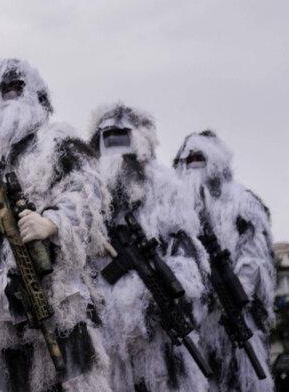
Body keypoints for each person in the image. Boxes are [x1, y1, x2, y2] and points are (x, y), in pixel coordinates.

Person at [0, 59, 111, 392]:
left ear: (38, 96)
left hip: (55, 288)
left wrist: (52, 222)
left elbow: (88, 191)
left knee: (71, 378)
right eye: (3, 91)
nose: (11, 96)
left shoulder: (59, 144)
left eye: (19, 88)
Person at [88, 103, 208, 391]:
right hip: (107, 337)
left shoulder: (165, 186)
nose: (115, 147)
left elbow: (188, 252)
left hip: (156, 334)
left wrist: (154, 295)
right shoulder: (87, 190)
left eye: (122, 137)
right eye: (109, 138)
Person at [174, 130, 275, 391]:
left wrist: (237, 293)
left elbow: (254, 257)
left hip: (232, 308)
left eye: (200, 158)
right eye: (188, 160)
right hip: (194, 318)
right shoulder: (175, 206)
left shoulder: (242, 202)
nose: (193, 165)